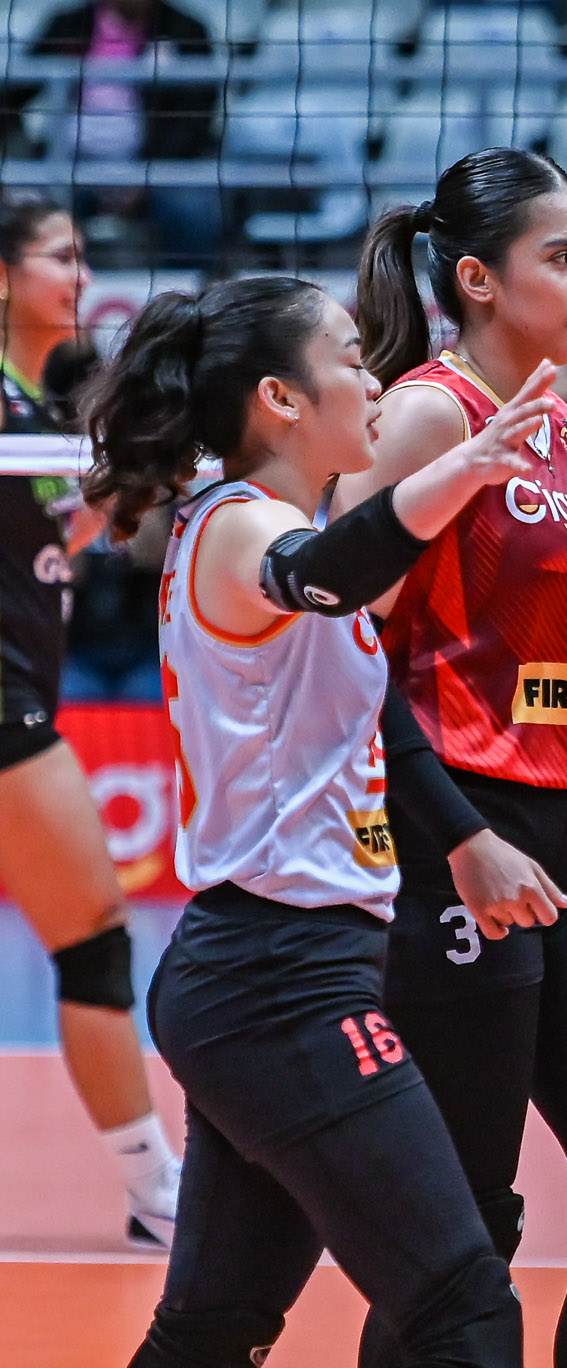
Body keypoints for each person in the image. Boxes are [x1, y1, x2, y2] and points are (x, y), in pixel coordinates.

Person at [82, 275, 551, 1368]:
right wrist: (459, 470)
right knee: (467, 1307)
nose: (376, 380)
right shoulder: (242, 527)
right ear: (281, 399)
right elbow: (319, 578)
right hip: (275, 981)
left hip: (275, 969)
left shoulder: (272, 523)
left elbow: (340, 598)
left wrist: (461, 838)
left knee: (213, 1331)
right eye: (350, 357)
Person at [346, 148, 567, 1368]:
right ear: (477, 279)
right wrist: (460, 838)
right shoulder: (427, 415)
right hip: (448, 835)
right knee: (460, 1239)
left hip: (562, 835)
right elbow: (336, 654)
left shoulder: (559, 418)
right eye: (560, 257)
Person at [0, 189, 181, 1249]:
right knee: (95, 938)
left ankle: (154, 1187)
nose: (79, 276)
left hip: (27, 680)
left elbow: (41, 542)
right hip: (6, 700)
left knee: (93, 939)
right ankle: (155, 1188)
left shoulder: (33, 408)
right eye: (58, 257)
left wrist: (116, 496)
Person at [0, 0, 223, 268]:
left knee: (192, 209)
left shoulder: (185, 29)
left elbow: (194, 117)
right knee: (27, 208)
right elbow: (15, 92)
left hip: (157, 165)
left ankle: (193, 288)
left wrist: (145, 176)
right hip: (73, 163)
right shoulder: (70, 24)